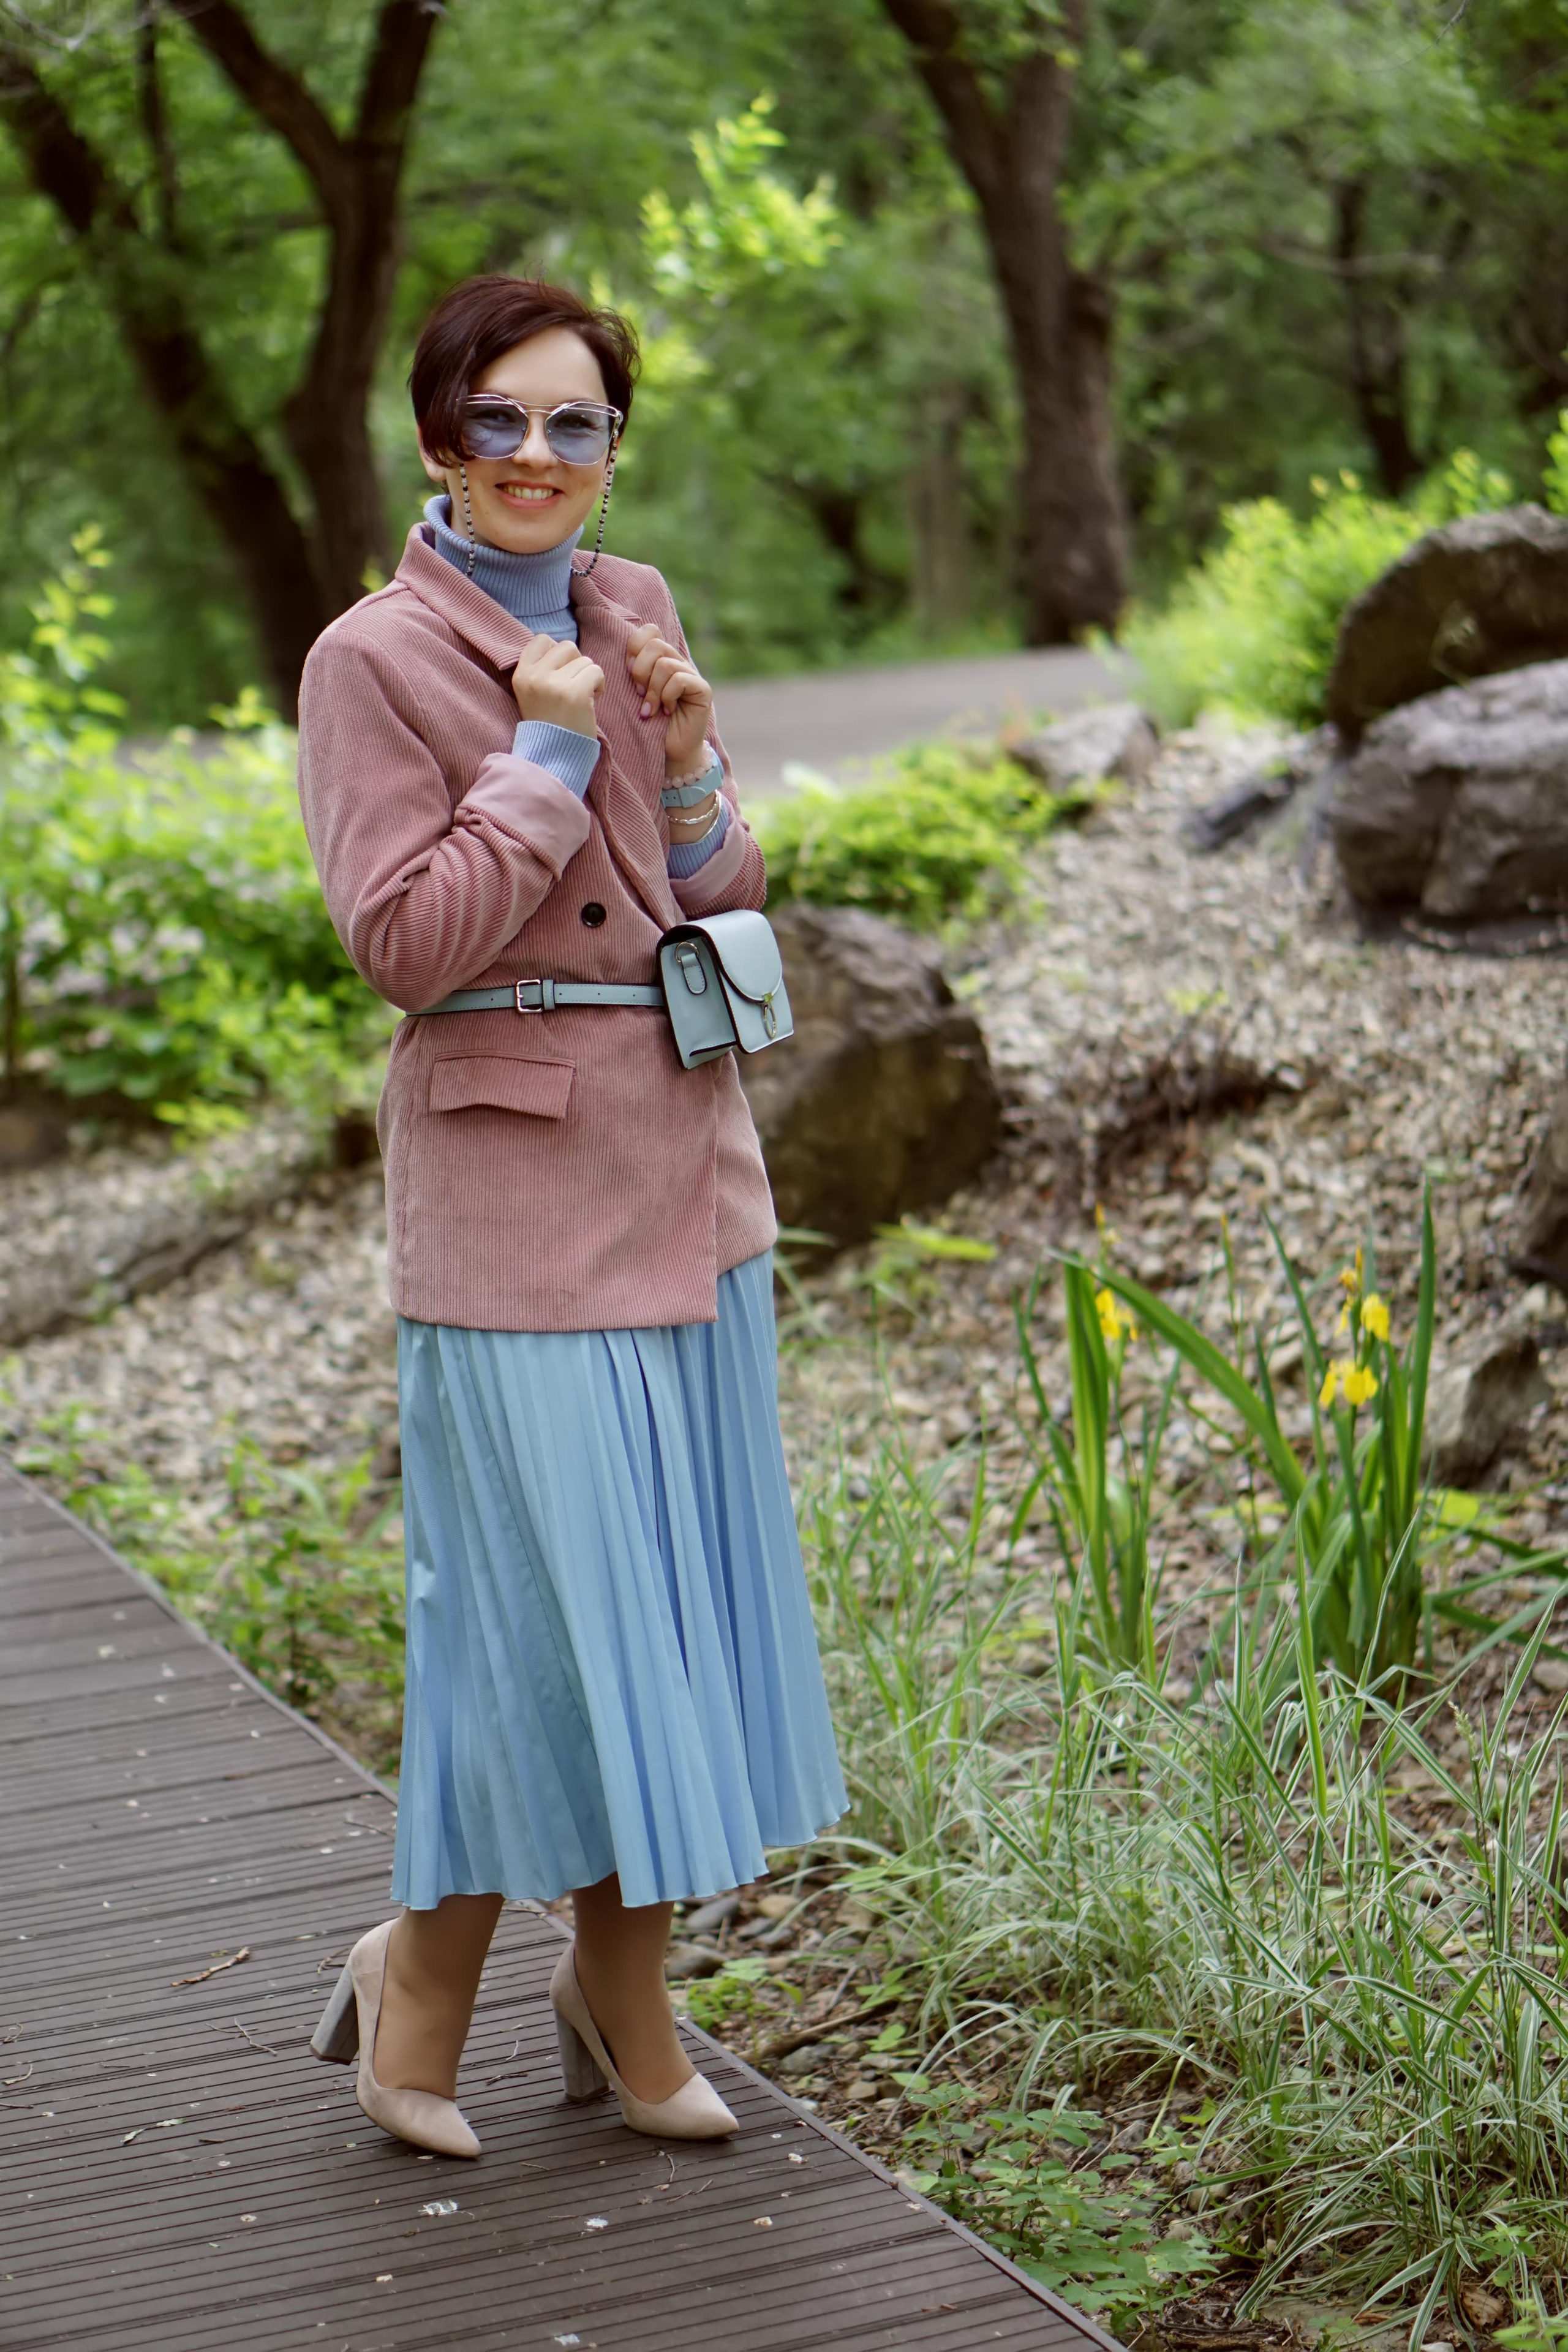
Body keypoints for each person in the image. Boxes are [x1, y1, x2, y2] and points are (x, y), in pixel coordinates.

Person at [296, 273, 846, 2155]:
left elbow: (714, 883)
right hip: (515, 1203)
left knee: (674, 1624)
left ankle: (621, 2002)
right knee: (534, 1632)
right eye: (501, 420)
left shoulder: (634, 606)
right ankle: (419, 1982)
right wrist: (539, 759)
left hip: (689, 1179)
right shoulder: (371, 657)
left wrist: (681, 757)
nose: (539, 457)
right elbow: (404, 943)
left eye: (577, 425)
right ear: (439, 436)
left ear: (615, 451)